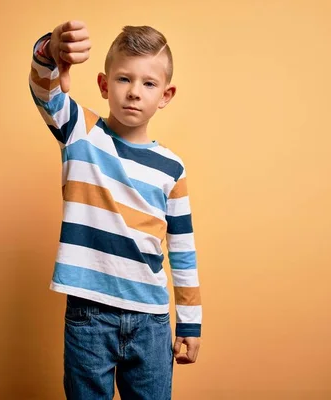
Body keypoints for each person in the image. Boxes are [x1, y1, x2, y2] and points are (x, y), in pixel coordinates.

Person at [29, 20, 202, 399]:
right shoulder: (81, 132)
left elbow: (183, 250)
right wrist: (52, 48)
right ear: (104, 85)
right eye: (124, 80)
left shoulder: (172, 168)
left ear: (166, 94)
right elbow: (43, 88)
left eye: (149, 84)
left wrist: (189, 323)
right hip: (89, 315)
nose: (135, 93)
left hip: (152, 322)